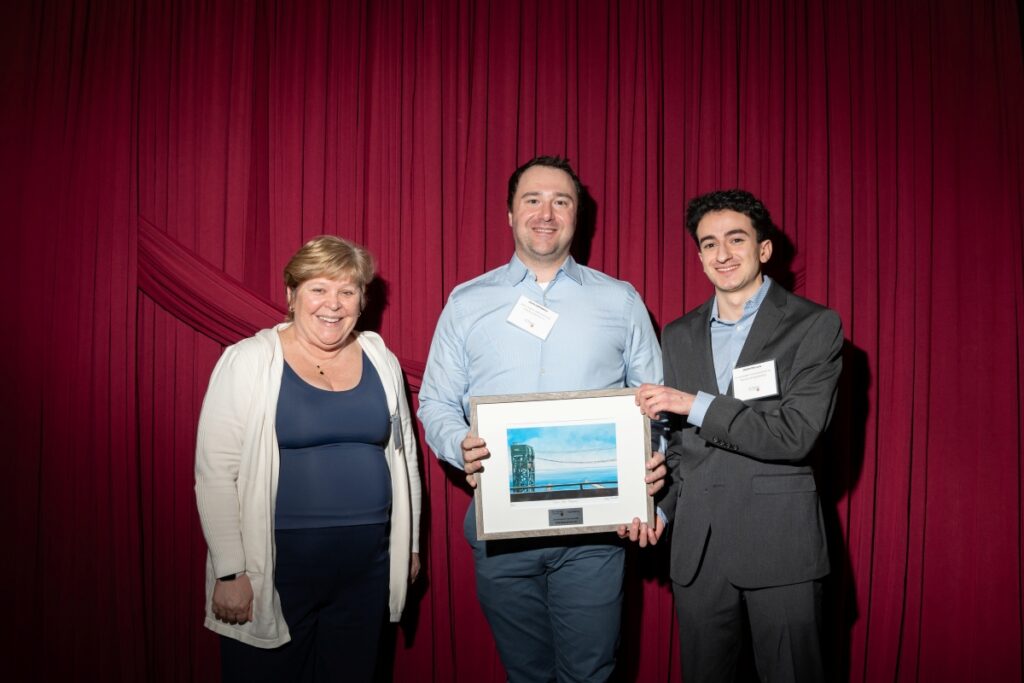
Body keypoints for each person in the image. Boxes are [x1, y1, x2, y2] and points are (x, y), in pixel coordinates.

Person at [418, 155, 666, 683]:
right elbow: (435, 402)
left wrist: (649, 476)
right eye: (532, 200)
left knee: (590, 673)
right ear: (510, 214)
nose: (546, 213)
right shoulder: (467, 303)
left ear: (578, 216)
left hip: (596, 536)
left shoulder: (620, 301)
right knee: (524, 673)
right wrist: (458, 441)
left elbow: (655, 408)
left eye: (561, 201)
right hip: (501, 529)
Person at [635, 189, 843, 682]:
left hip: (781, 548)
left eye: (735, 239)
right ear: (699, 256)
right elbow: (683, 451)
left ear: (764, 249)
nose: (722, 254)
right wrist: (661, 510)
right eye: (709, 244)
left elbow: (796, 434)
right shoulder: (678, 333)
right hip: (698, 553)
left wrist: (694, 403)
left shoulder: (814, 326)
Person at [194, 235, 422, 682]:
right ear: (291, 295)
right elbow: (216, 472)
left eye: (348, 291)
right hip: (276, 566)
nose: (333, 304)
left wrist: (409, 545)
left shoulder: (381, 357)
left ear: (362, 300)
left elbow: (405, 455)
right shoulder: (249, 359)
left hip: (367, 565)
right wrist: (230, 570)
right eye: (319, 288)